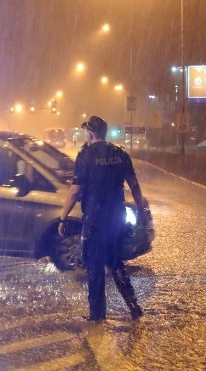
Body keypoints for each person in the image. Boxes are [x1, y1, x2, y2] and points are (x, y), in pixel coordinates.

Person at [58, 115, 149, 322]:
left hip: (95, 221)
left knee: (95, 266)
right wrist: (142, 212)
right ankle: (134, 307)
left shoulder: (85, 155)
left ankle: (97, 316)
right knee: (116, 262)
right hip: (117, 219)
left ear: (90, 133)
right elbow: (134, 186)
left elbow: (74, 191)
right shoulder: (120, 154)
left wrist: (63, 218)